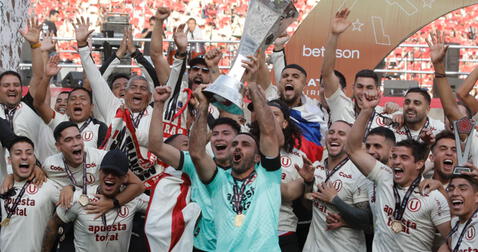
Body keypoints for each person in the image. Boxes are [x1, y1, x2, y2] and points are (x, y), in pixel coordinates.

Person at [189, 63, 281, 252]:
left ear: (257, 157)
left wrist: (253, 85)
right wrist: (203, 107)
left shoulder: (268, 175)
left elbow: (269, 132)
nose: (237, 146)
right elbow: (197, 153)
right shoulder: (218, 181)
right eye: (234, 144)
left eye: (245, 144)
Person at [346, 91, 451, 251]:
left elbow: (453, 237)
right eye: (394, 156)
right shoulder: (383, 177)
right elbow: (352, 149)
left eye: (404, 158)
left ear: (419, 164)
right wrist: (366, 111)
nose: (396, 161)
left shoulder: (432, 196)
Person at [148, 85, 241, 251]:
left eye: (226, 133)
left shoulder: (251, 169)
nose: (219, 137)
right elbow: (156, 147)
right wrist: (158, 105)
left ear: (238, 141)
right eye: (215, 134)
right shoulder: (196, 164)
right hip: (202, 247)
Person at [41, 150, 148, 252]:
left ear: (125, 178)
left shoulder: (133, 199)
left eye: (116, 173)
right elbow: (53, 225)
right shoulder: (79, 198)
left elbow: (159, 208)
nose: (110, 176)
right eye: (106, 171)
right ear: (99, 172)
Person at [301, 120, 370, 252]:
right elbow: (308, 207)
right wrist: (309, 182)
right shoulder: (316, 167)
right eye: (331, 132)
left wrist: (335, 200)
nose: (334, 136)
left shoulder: (359, 172)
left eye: (341, 134)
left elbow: (366, 221)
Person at [321, 9, 393, 131]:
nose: (363, 92)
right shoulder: (341, 105)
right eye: (360, 87)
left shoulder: (387, 115)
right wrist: (334, 36)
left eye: (369, 88)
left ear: (377, 90)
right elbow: (327, 73)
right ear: (353, 88)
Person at [0, 136, 59, 252]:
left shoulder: (47, 186)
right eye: (18, 153)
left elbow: (72, 207)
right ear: (9, 160)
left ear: (34, 158)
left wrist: (70, 188)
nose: (24, 157)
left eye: (29, 153)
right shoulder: (3, 184)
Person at [34, 55, 107, 148]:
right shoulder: (59, 120)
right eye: (73, 99)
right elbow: (38, 104)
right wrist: (46, 77)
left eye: (83, 99)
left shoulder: (100, 128)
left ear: (91, 107)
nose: (77, 102)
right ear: (67, 107)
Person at [440, 174, 478, 252]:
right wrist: (440, 188)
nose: (454, 193)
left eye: (462, 189)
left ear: (476, 197)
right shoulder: (455, 223)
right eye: (450, 189)